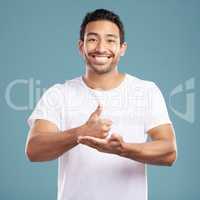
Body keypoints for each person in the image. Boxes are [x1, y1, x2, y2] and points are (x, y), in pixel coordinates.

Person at [25, 8, 177, 200]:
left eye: (110, 40)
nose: (101, 47)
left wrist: (124, 149)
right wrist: (81, 132)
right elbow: (34, 150)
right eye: (92, 39)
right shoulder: (59, 94)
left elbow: (169, 151)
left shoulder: (146, 91)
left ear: (122, 48)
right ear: (81, 47)